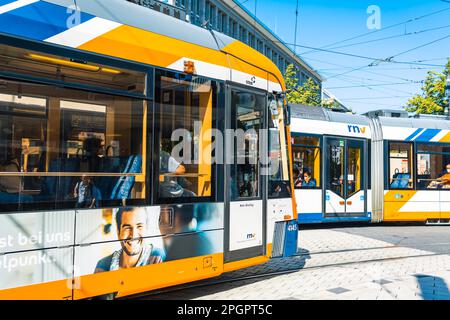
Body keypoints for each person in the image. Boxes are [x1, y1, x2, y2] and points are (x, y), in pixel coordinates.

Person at [94, 207, 165, 273]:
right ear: (118, 232)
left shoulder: (158, 256)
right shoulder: (103, 265)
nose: (133, 235)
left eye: (139, 226)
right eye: (127, 228)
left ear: (146, 230)